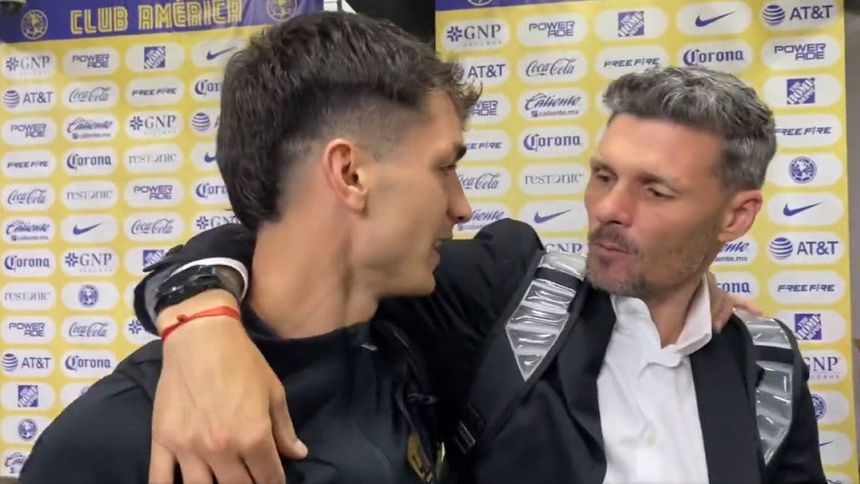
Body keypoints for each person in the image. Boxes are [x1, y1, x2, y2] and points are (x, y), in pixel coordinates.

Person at [129, 65, 826, 484]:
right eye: (603, 175)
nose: (609, 209)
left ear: (735, 217)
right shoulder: (507, 291)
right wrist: (202, 322)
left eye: (656, 191)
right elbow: (292, 237)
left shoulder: (766, 364)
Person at [19, 11, 478, 484]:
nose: (462, 208)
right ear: (350, 174)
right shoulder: (112, 437)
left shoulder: (416, 345)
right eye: (444, 167)